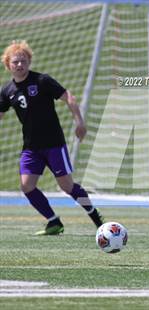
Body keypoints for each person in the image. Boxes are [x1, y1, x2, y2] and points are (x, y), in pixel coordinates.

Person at [0, 40, 103, 235]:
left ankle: (97, 219)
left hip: (54, 144)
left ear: (29, 61)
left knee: (67, 186)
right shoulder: (7, 91)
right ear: (8, 65)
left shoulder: (42, 81)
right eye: (15, 62)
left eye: (23, 60)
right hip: (31, 147)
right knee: (27, 186)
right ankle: (53, 221)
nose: (20, 65)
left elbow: (69, 98)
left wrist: (79, 122)